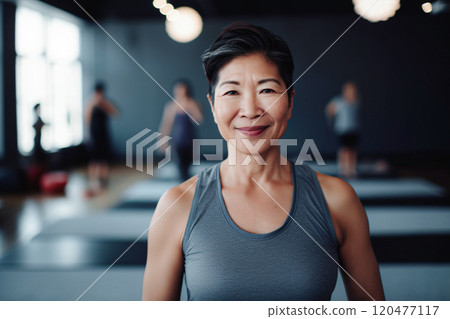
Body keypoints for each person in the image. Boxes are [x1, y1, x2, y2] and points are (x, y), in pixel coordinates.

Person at [142, 23, 384, 301]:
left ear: (290, 102)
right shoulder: (176, 206)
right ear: (212, 105)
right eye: (232, 92)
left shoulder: (338, 201)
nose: (250, 111)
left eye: (267, 90)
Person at [159, 80, 203, 181]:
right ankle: (182, 186)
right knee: (180, 167)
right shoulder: (171, 106)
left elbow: (199, 120)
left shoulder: (193, 103)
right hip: (176, 141)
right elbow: (166, 125)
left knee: (188, 165)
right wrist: (162, 140)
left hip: (190, 140)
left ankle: (187, 184)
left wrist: (190, 107)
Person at [84, 82, 118, 197]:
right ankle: (93, 181)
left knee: (103, 159)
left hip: (104, 135)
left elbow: (115, 112)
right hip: (94, 136)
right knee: (94, 160)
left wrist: (103, 104)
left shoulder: (105, 103)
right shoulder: (90, 104)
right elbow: (87, 119)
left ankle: (103, 181)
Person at [325, 82, 361, 179]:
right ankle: (343, 169)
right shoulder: (339, 102)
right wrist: (331, 120)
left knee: (352, 151)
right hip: (342, 130)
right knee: (344, 150)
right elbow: (329, 109)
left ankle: (351, 169)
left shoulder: (355, 102)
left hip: (353, 130)